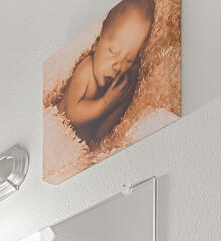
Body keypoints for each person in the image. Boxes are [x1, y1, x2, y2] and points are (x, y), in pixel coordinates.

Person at [59, 0, 156, 147]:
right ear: (97, 42)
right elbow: (71, 113)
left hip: (78, 148)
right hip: (59, 132)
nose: (118, 66)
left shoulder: (119, 86)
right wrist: (105, 104)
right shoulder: (87, 69)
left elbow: (109, 127)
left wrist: (99, 139)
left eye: (129, 60)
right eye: (113, 51)